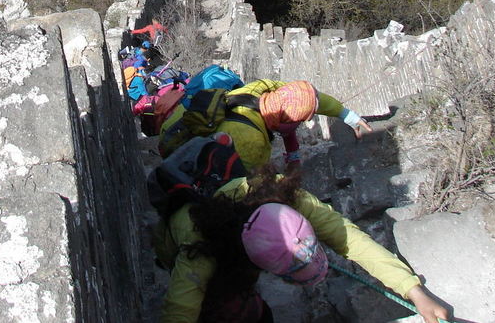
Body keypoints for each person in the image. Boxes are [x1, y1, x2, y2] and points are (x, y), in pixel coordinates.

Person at [154, 168, 450, 323]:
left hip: (232, 246)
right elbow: (180, 311)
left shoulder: (287, 199)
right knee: (230, 313)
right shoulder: (198, 256)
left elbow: (351, 240)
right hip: (181, 248)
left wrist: (413, 290)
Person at [161, 80, 372, 171]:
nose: (300, 126)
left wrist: (347, 115)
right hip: (179, 162)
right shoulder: (253, 143)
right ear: (284, 121)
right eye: (299, 122)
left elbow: (302, 95)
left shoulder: (258, 90)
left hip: (175, 123)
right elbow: (241, 187)